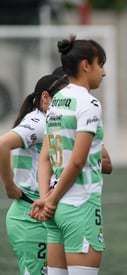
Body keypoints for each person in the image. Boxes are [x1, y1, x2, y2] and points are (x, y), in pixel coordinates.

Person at [29, 35, 108, 275]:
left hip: (56, 207)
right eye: (100, 65)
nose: (103, 73)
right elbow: (77, 160)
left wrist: (46, 198)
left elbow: (45, 156)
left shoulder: (57, 101)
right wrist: (50, 201)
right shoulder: (88, 103)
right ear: (86, 65)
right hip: (80, 204)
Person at [0, 74, 66, 275]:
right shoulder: (39, 122)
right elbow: (3, 144)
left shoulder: (47, 120)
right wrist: (10, 186)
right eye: (62, 97)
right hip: (29, 215)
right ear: (46, 98)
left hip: (38, 212)